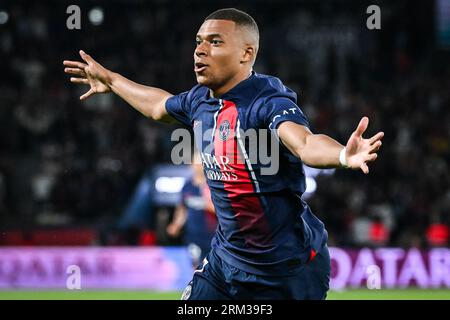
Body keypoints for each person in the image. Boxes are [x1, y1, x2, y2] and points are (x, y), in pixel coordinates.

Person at [63, 8, 384, 300]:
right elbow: (159, 107)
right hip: (223, 264)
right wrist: (113, 80)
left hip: (285, 273)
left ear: (247, 53)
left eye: (214, 42)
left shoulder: (267, 100)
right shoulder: (199, 99)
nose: (200, 50)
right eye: (198, 42)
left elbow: (304, 143)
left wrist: (343, 154)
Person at [166, 152, 217, 268]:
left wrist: (206, 204)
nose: (199, 166)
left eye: (202, 163)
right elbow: (182, 209)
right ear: (192, 164)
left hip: (213, 236)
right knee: (196, 268)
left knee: (212, 270)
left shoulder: (212, 186)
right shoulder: (187, 186)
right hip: (193, 236)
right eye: (197, 163)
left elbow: (222, 210)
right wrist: (176, 224)